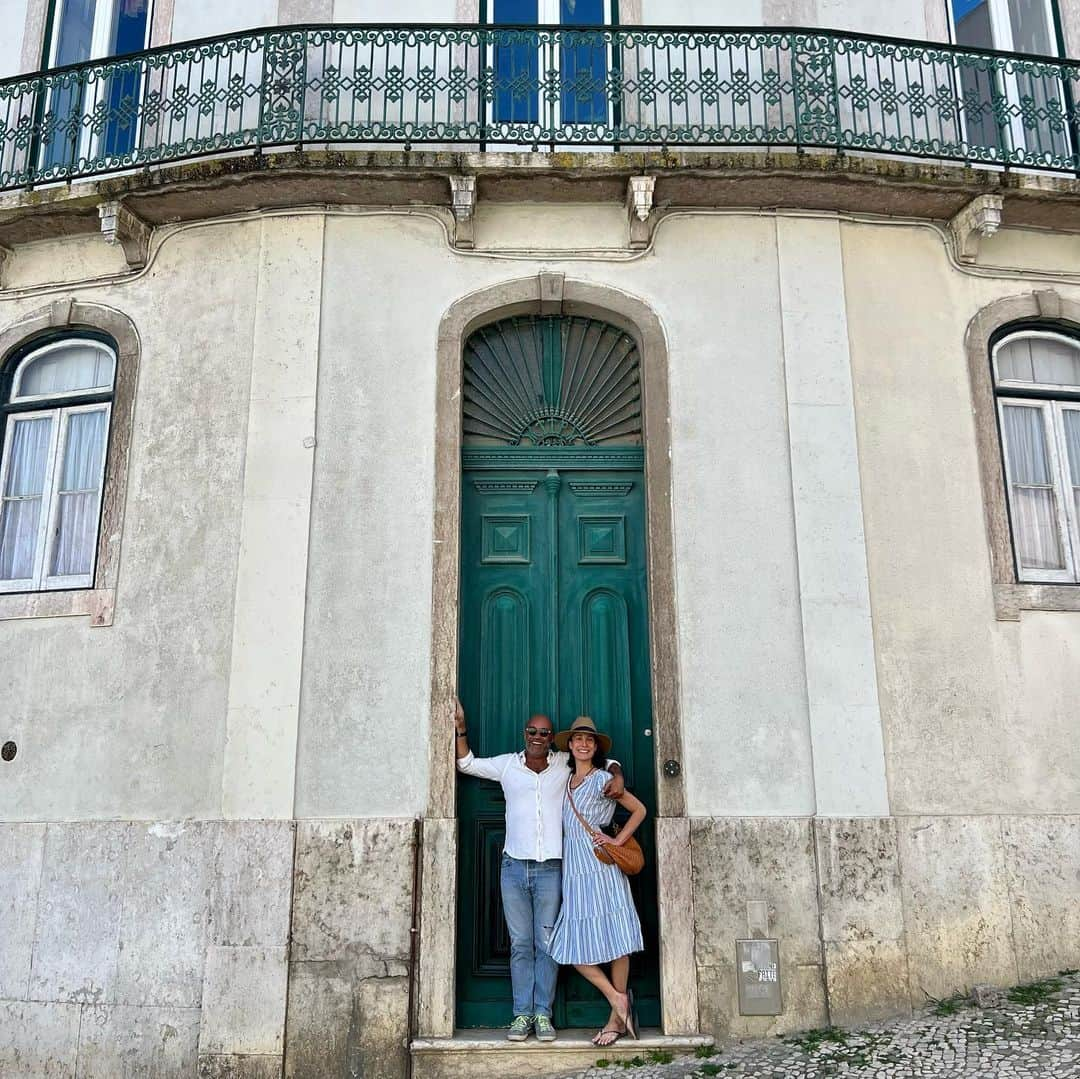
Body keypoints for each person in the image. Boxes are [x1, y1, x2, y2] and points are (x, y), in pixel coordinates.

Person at [454, 699, 624, 1043]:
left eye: (544, 733)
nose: (537, 736)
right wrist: (460, 726)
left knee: (547, 944)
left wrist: (618, 775)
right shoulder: (507, 766)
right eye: (532, 731)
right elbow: (465, 763)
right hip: (513, 867)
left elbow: (608, 761)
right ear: (524, 733)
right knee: (520, 944)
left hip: (551, 870)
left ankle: (543, 1015)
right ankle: (521, 1015)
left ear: (551, 739)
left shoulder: (564, 763)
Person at [548, 716, 646, 1048]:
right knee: (569, 945)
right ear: (570, 745)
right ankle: (618, 998)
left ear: (596, 747)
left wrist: (617, 842)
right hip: (575, 869)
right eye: (578, 739)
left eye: (589, 741)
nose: (584, 744)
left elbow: (639, 810)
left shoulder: (603, 779)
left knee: (618, 940)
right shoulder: (562, 779)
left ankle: (615, 1021)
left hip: (602, 866)